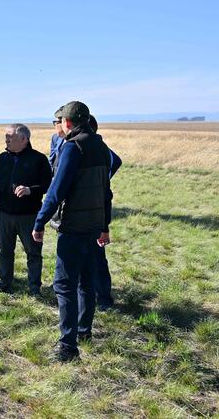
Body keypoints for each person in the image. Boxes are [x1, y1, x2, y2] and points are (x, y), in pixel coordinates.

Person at [33, 101, 113, 362]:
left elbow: (57, 190)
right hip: (93, 225)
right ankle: (84, 331)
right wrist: (104, 225)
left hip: (74, 227)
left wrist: (40, 220)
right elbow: (105, 193)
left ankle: (68, 347)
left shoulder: (72, 146)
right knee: (86, 282)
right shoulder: (100, 146)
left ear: (67, 122)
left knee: (64, 285)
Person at [0, 124, 52, 295]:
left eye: (10, 136)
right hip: (4, 214)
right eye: (6, 136)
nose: (6, 139)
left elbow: (48, 185)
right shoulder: (2, 158)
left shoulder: (39, 159)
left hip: (29, 216)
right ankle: (5, 283)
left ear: (24, 139)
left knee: (33, 253)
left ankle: (34, 288)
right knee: (5, 250)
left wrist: (30, 190)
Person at [88, 115, 122, 310]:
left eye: (58, 121)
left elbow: (115, 161)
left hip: (94, 212)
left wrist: (103, 179)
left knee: (96, 256)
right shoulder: (64, 144)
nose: (57, 125)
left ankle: (103, 298)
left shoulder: (98, 149)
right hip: (76, 214)